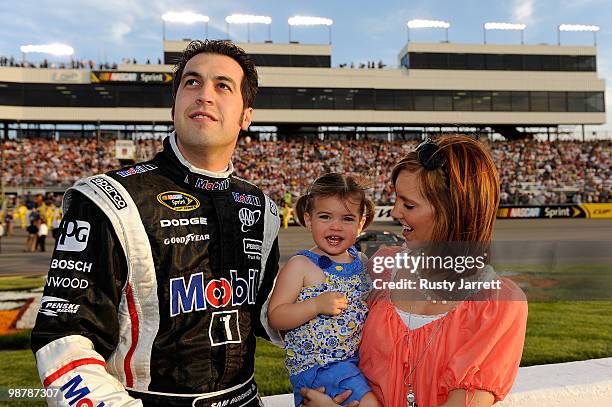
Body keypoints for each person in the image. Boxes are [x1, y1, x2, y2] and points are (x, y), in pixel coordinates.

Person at [32, 40, 281, 407]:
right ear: (175, 103)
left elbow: (267, 316)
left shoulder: (263, 208)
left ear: (247, 115)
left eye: (222, 86)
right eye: (191, 83)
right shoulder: (105, 200)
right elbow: (62, 341)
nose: (204, 95)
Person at [301, 135, 527, 407]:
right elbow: (313, 331)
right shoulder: (380, 269)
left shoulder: (497, 305)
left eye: (408, 204)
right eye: (396, 199)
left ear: (453, 211)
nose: (395, 212)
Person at [268, 173, 378, 407]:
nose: (335, 226)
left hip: (352, 362)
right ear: (308, 220)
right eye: (325, 216)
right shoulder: (301, 265)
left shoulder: (362, 261)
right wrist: (315, 305)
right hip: (317, 365)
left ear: (360, 224)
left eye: (347, 219)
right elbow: (276, 316)